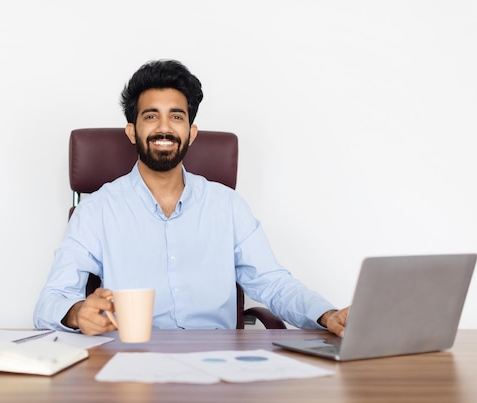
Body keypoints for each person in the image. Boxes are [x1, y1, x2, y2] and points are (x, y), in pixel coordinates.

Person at [34, 59, 349, 337]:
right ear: (131, 132)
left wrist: (327, 314)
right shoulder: (96, 210)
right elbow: (50, 301)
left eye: (176, 116)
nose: (164, 128)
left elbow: (274, 283)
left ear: (191, 132)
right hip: (131, 362)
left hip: (218, 362)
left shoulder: (228, 206)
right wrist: (77, 314)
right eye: (151, 116)